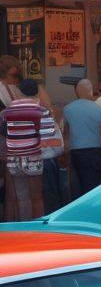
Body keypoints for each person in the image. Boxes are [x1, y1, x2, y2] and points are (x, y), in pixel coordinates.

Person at [0, 79, 59, 219]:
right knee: (36, 197)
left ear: (19, 91)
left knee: (16, 198)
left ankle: (16, 228)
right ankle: (35, 228)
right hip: (33, 157)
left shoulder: (5, 112)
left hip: (13, 159)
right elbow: (48, 136)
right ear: (36, 92)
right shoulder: (42, 111)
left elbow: (3, 132)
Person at [63, 79, 101, 197]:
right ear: (90, 91)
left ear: (77, 92)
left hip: (76, 152)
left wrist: (66, 153)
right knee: (94, 186)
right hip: (94, 151)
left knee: (77, 186)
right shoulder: (98, 108)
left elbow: (66, 133)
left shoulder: (68, 109)